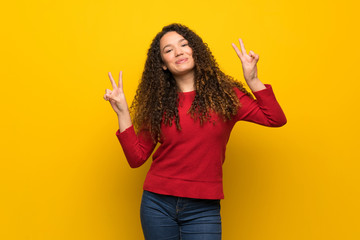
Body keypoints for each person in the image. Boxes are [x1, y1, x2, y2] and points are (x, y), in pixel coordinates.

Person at [103, 23, 286, 240]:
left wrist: (253, 79)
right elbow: (136, 157)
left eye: (184, 44)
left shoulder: (226, 95)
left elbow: (275, 118)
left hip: (203, 208)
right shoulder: (159, 103)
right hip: (157, 204)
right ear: (162, 64)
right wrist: (122, 112)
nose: (178, 51)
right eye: (168, 50)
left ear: (195, 51)